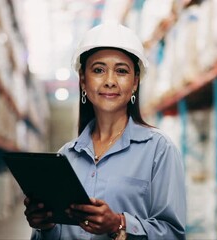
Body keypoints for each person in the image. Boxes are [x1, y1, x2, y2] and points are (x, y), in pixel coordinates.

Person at [24, 22, 186, 239]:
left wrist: (119, 224)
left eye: (121, 71)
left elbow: (174, 235)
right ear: (83, 80)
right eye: (98, 70)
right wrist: (44, 226)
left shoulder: (159, 150)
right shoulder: (66, 156)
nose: (110, 81)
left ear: (135, 82)